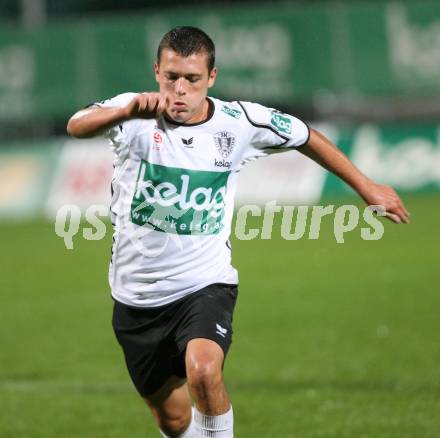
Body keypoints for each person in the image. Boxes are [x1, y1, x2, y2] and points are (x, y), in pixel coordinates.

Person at [66, 26, 409, 438]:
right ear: (156, 71)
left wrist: (366, 186)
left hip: (205, 285)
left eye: (192, 79)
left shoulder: (239, 122)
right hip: (136, 299)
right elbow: (77, 124)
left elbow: (305, 135)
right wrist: (123, 112)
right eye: (171, 76)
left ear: (211, 77)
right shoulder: (132, 114)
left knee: (205, 372)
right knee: (173, 421)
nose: (179, 89)